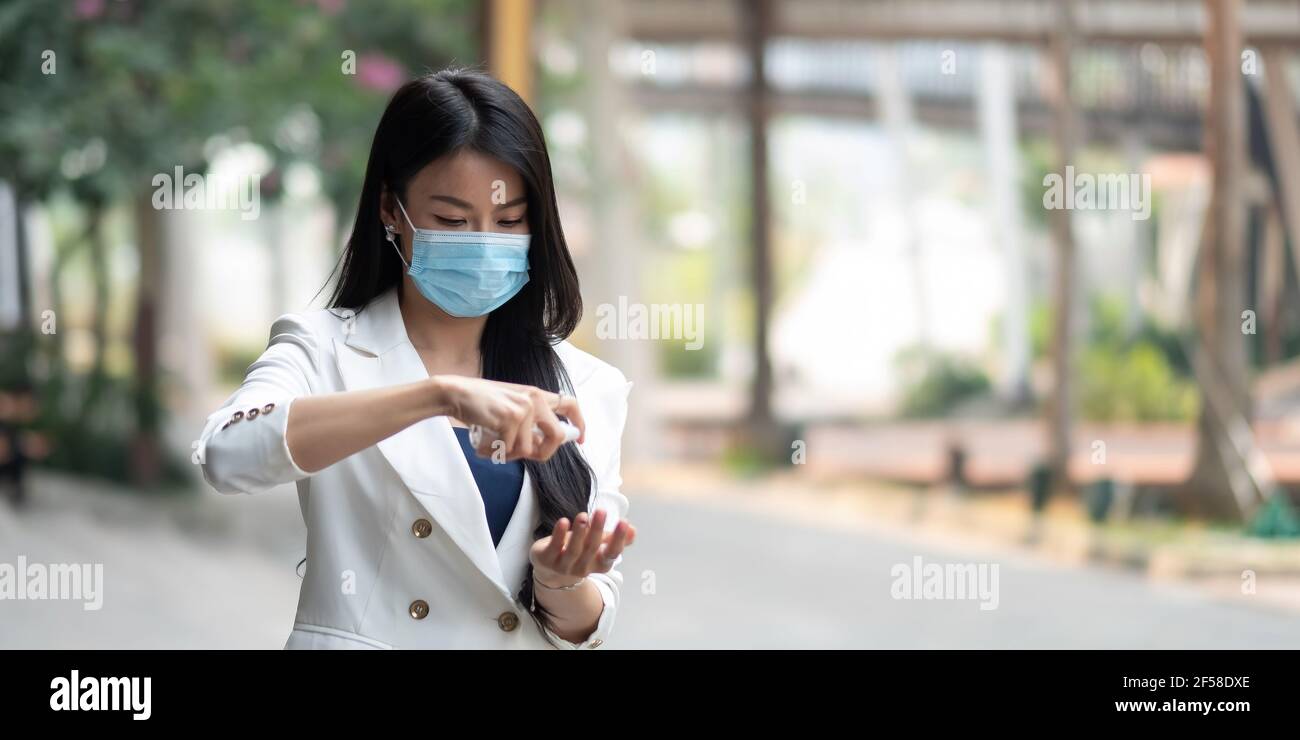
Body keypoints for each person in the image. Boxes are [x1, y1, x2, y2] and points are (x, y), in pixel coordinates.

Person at [195, 68, 636, 649]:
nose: (482, 240)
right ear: (389, 209)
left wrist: (559, 580)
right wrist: (437, 396)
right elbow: (227, 456)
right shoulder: (323, 348)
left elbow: (586, 627)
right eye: (452, 220)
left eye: (508, 221)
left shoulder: (585, 384)